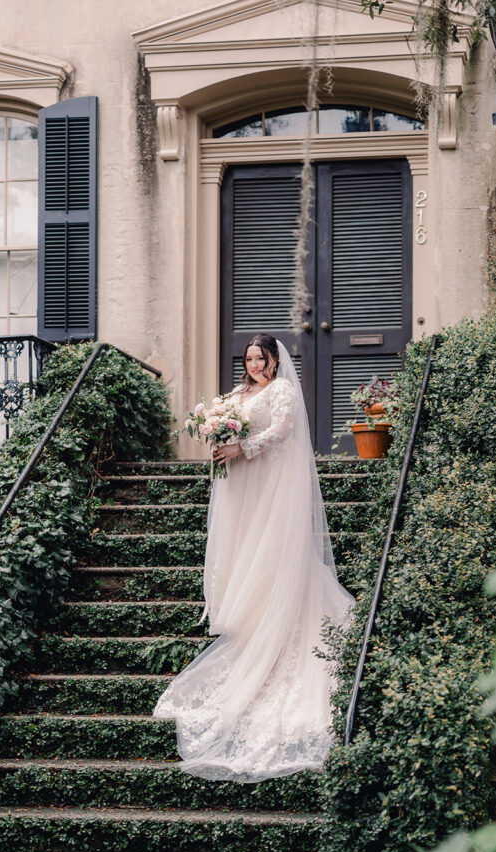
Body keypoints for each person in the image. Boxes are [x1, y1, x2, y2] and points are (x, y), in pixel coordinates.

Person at [152, 334, 355, 782]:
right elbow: (220, 420)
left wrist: (241, 447)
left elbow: (282, 432)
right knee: (244, 549)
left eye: (260, 358)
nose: (254, 364)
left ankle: (276, 618)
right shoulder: (238, 394)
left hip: (268, 482)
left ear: (273, 359)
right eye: (248, 359)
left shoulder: (281, 390)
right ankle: (252, 614)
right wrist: (215, 432)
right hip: (241, 484)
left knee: (271, 551)